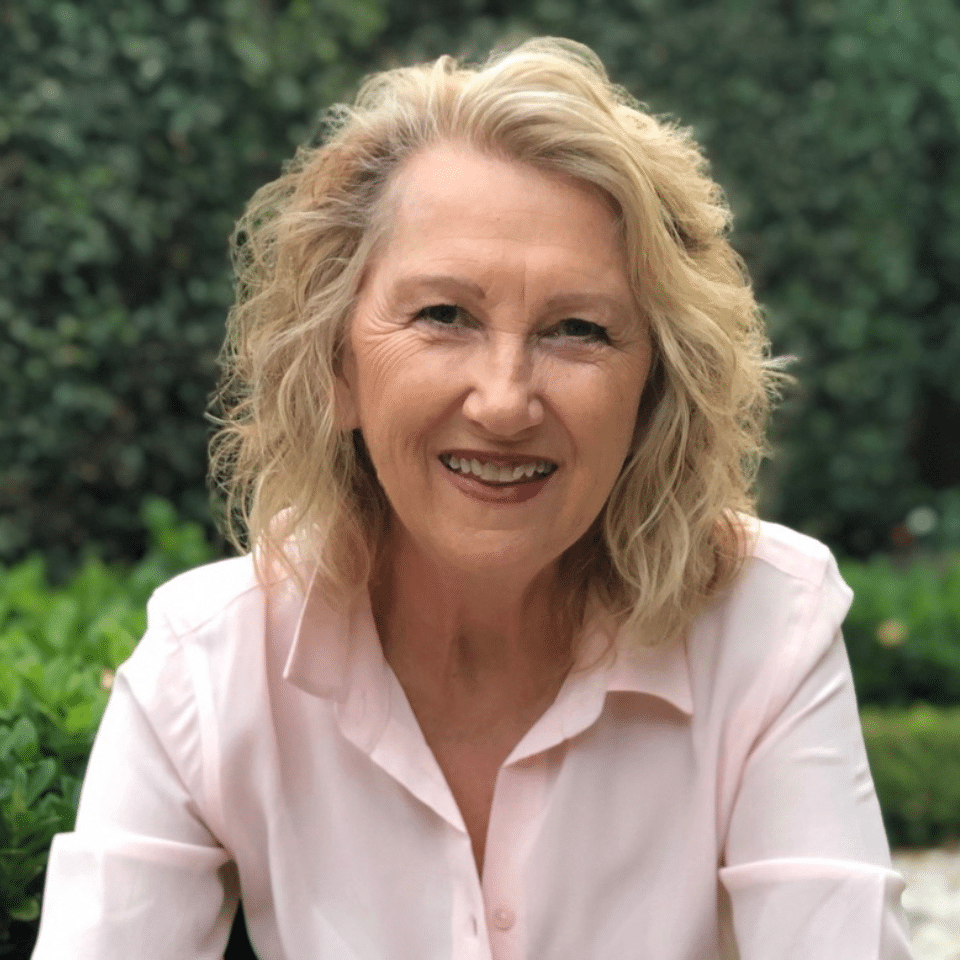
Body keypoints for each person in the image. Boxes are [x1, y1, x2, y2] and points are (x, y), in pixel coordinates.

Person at [32, 37, 913, 960]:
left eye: (578, 330)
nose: (503, 401)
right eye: (443, 315)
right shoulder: (209, 663)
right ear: (336, 363)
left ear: (657, 387)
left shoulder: (765, 623)